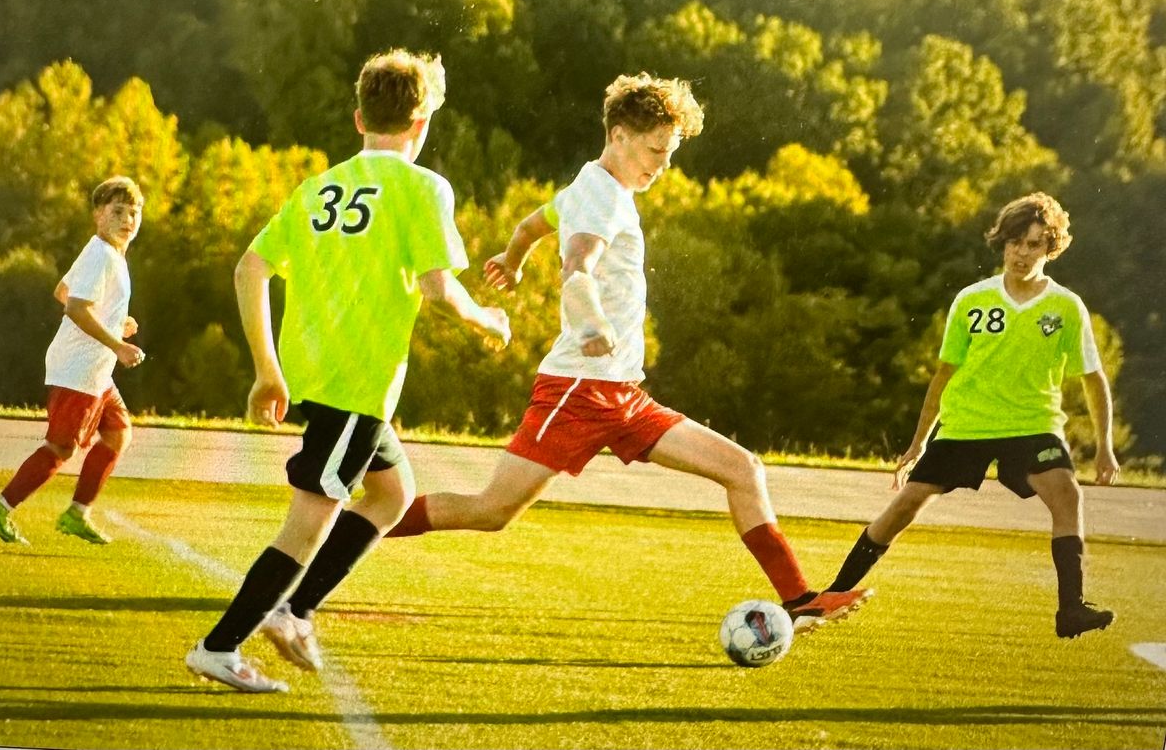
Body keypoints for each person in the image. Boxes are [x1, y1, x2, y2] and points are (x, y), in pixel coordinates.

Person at [254, 73, 872, 678]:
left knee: (743, 470)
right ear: (621, 134)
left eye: (670, 154)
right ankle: (336, 549)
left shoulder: (594, 185)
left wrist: (512, 258)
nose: (661, 164)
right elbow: (576, 266)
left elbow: (534, 223)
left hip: (623, 395)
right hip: (577, 391)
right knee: (490, 511)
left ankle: (798, 599)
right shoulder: (602, 194)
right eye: (656, 150)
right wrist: (591, 320)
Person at [184, 49, 510, 693]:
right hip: (356, 385)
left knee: (391, 495)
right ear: (422, 126)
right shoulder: (424, 188)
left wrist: (267, 371)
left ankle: (297, 610)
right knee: (309, 521)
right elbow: (443, 290)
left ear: (359, 117)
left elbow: (249, 268)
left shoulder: (317, 187)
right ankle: (220, 646)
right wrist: (489, 322)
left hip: (325, 379)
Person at [824, 192, 1119, 639]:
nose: (1022, 253)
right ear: (1002, 244)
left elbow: (1094, 380)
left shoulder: (1066, 307)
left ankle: (1071, 609)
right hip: (966, 425)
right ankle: (830, 596)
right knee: (904, 506)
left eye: (1035, 244)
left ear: (1050, 249)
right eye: (1015, 242)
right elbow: (944, 375)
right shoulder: (971, 300)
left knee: (1067, 496)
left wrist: (1106, 449)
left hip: (1032, 425)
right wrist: (920, 441)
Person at [0, 176, 147, 546]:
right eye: (118, 211)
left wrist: (116, 321)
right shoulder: (100, 253)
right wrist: (118, 343)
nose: (127, 220)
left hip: (96, 373)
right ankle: (0, 508)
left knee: (118, 435)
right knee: (61, 448)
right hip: (79, 370)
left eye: (134, 213)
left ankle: (77, 513)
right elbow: (74, 306)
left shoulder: (111, 254)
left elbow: (62, 291)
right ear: (98, 215)